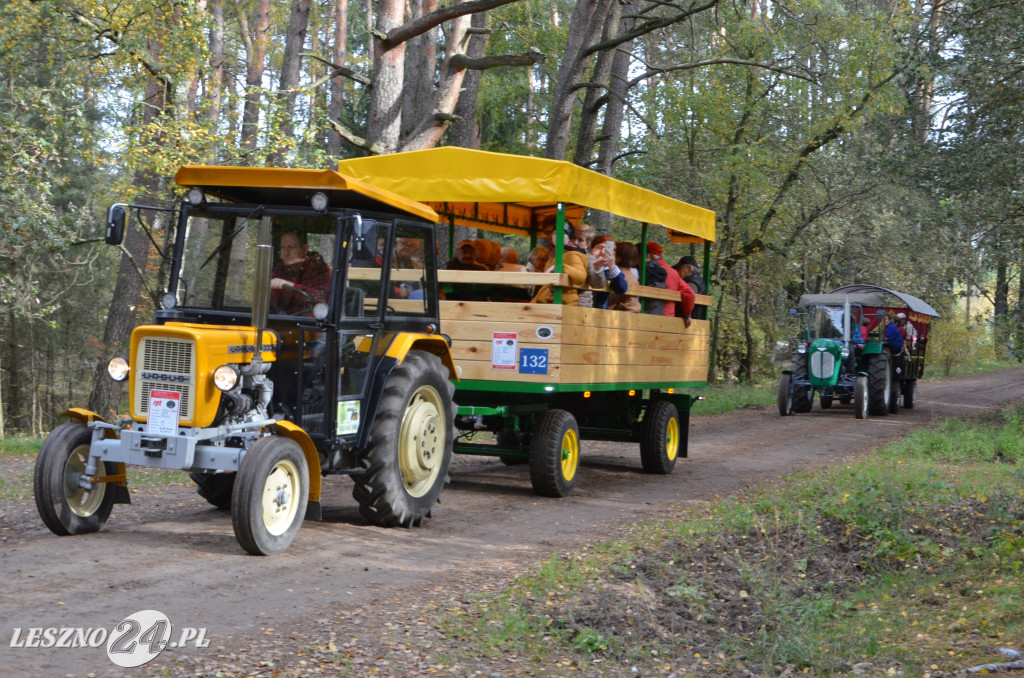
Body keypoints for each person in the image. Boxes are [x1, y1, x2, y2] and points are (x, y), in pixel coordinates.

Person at [270, 231, 331, 315]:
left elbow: (319, 298)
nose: (286, 252)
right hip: (284, 321)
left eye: (291, 247)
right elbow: (271, 300)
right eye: (283, 247)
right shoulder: (280, 268)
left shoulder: (317, 267)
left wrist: (290, 286)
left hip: (315, 323)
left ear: (305, 249)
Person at [532, 221, 588, 306]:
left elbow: (581, 276)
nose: (558, 236)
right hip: (547, 305)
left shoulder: (572, 254)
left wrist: (560, 267)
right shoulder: (555, 254)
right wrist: (531, 304)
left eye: (563, 233)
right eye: (555, 232)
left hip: (562, 308)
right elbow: (546, 287)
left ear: (569, 237)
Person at [646, 242, 693, 327]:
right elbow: (689, 294)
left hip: (648, 318)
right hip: (668, 320)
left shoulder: (646, 269)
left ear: (651, 255)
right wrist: (687, 315)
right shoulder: (673, 273)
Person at [607, 241, 642, 313]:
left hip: (622, 314)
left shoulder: (621, 277)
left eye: (614, 253)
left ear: (619, 259)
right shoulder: (631, 275)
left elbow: (612, 301)